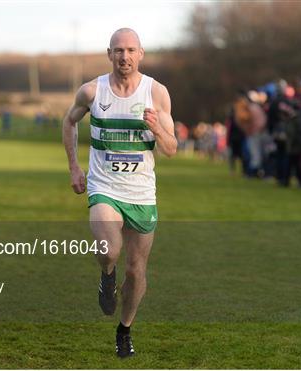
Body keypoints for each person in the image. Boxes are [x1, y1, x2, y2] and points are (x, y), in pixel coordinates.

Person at [62, 28, 177, 358]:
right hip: (104, 187)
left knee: (136, 270)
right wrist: (74, 167)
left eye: (130, 50)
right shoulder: (91, 91)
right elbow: (69, 122)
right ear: (109, 53)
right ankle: (106, 275)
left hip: (141, 193)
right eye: (118, 50)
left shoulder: (157, 93)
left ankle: (124, 329)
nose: (124, 56)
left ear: (140, 53)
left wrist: (156, 128)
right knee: (110, 250)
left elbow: (171, 148)